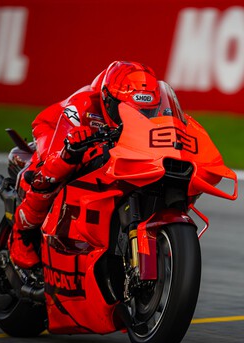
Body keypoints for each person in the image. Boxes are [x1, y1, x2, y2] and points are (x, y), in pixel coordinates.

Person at [9, 61, 161, 269]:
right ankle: (20, 234)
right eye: (126, 110)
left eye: (145, 112)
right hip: (57, 128)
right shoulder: (83, 105)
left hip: (111, 142)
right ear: (107, 99)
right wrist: (71, 149)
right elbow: (59, 155)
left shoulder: (158, 108)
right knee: (51, 172)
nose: (137, 116)